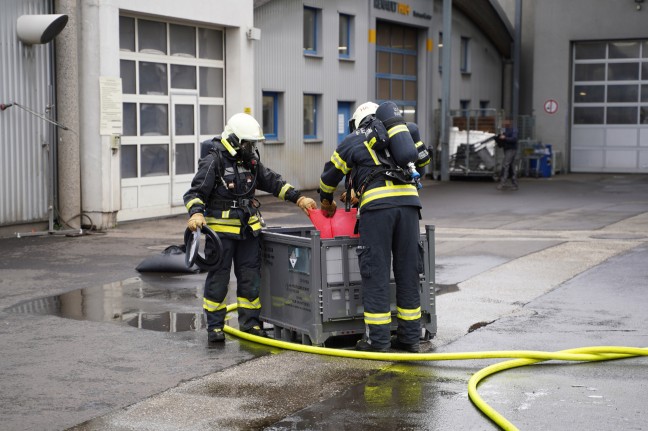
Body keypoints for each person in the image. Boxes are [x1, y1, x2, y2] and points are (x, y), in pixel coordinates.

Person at [184, 113, 317, 343]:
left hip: (248, 232)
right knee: (219, 280)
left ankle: (250, 324)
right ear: (235, 140)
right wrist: (196, 213)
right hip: (222, 235)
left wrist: (299, 198)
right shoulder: (213, 161)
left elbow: (272, 181)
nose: (251, 147)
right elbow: (195, 193)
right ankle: (215, 327)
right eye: (248, 143)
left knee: (250, 279)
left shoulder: (250, 162)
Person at [318, 101, 424, 353]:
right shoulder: (401, 136)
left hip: (378, 209)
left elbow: (328, 177)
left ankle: (377, 341)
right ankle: (410, 338)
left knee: (375, 271)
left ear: (357, 122)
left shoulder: (354, 140)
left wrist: (326, 201)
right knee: (408, 271)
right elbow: (418, 168)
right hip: (410, 206)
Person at [495, 119, 519, 190]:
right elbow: (502, 138)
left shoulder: (514, 130)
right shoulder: (504, 130)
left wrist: (505, 138)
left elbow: (514, 139)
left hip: (511, 149)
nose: (504, 123)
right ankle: (514, 184)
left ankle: (503, 182)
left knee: (506, 164)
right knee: (511, 166)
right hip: (507, 149)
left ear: (509, 122)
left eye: (505, 121)